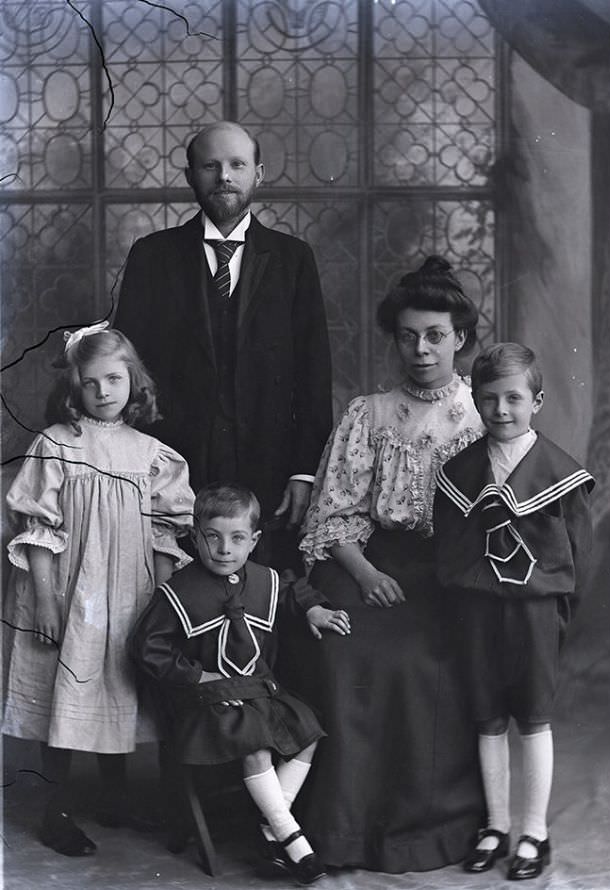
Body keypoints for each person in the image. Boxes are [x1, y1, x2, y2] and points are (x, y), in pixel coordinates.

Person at [278, 255, 487, 873]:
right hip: (364, 557)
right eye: (407, 336)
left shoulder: (484, 417)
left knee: (424, 660)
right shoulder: (368, 413)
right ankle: (340, 831)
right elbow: (334, 512)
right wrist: (366, 575)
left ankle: (423, 831)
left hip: (449, 571)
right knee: (348, 649)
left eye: (435, 336)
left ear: (462, 339)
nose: (420, 350)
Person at [2, 323, 195, 856]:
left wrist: (164, 600)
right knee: (65, 688)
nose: (105, 391)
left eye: (115, 378)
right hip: (67, 589)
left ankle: (115, 797)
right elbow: (38, 530)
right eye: (92, 382)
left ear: (134, 381)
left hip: (129, 591)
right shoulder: (57, 445)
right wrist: (43, 599)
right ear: (74, 387)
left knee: (119, 686)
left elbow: (164, 534)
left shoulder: (152, 453)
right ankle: (55, 808)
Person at [114, 121, 333, 569]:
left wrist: (303, 470)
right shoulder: (153, 255)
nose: (224, 176)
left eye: (237, 164)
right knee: (171, 582)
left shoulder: (293, 259)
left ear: (259, 173)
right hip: (174, 462)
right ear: (191, 175)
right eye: (210, 166)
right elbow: (129, 368)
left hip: (268, 463)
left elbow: (314, 373)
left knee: (267, 591)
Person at [131, 482, 350, 885]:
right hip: (207, 699)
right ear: (195, 537)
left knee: (308, 730)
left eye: (237, 539)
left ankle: (271, 829)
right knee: (256, 742)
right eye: (212, 537)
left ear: (254, 541)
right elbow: (147, 647)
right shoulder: (178, 591)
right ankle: (293, 841)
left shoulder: (262, 578)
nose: (224, 549)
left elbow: (290, 590)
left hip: (257, 690)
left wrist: (314, 608)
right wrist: (197, 676)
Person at [434, 343, 594, 880]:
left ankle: (534, 833)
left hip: (534, 612)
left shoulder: (561, 475)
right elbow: (449, 548)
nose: (501, 410)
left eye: (513, 398)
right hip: (478, 611)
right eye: (488, 399)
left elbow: (579, 554)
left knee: (533, 718)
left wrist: (559, 612)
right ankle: (496, 825)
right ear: (475, 402)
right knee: (486, 716)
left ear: (537, 401)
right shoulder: (459, 472)